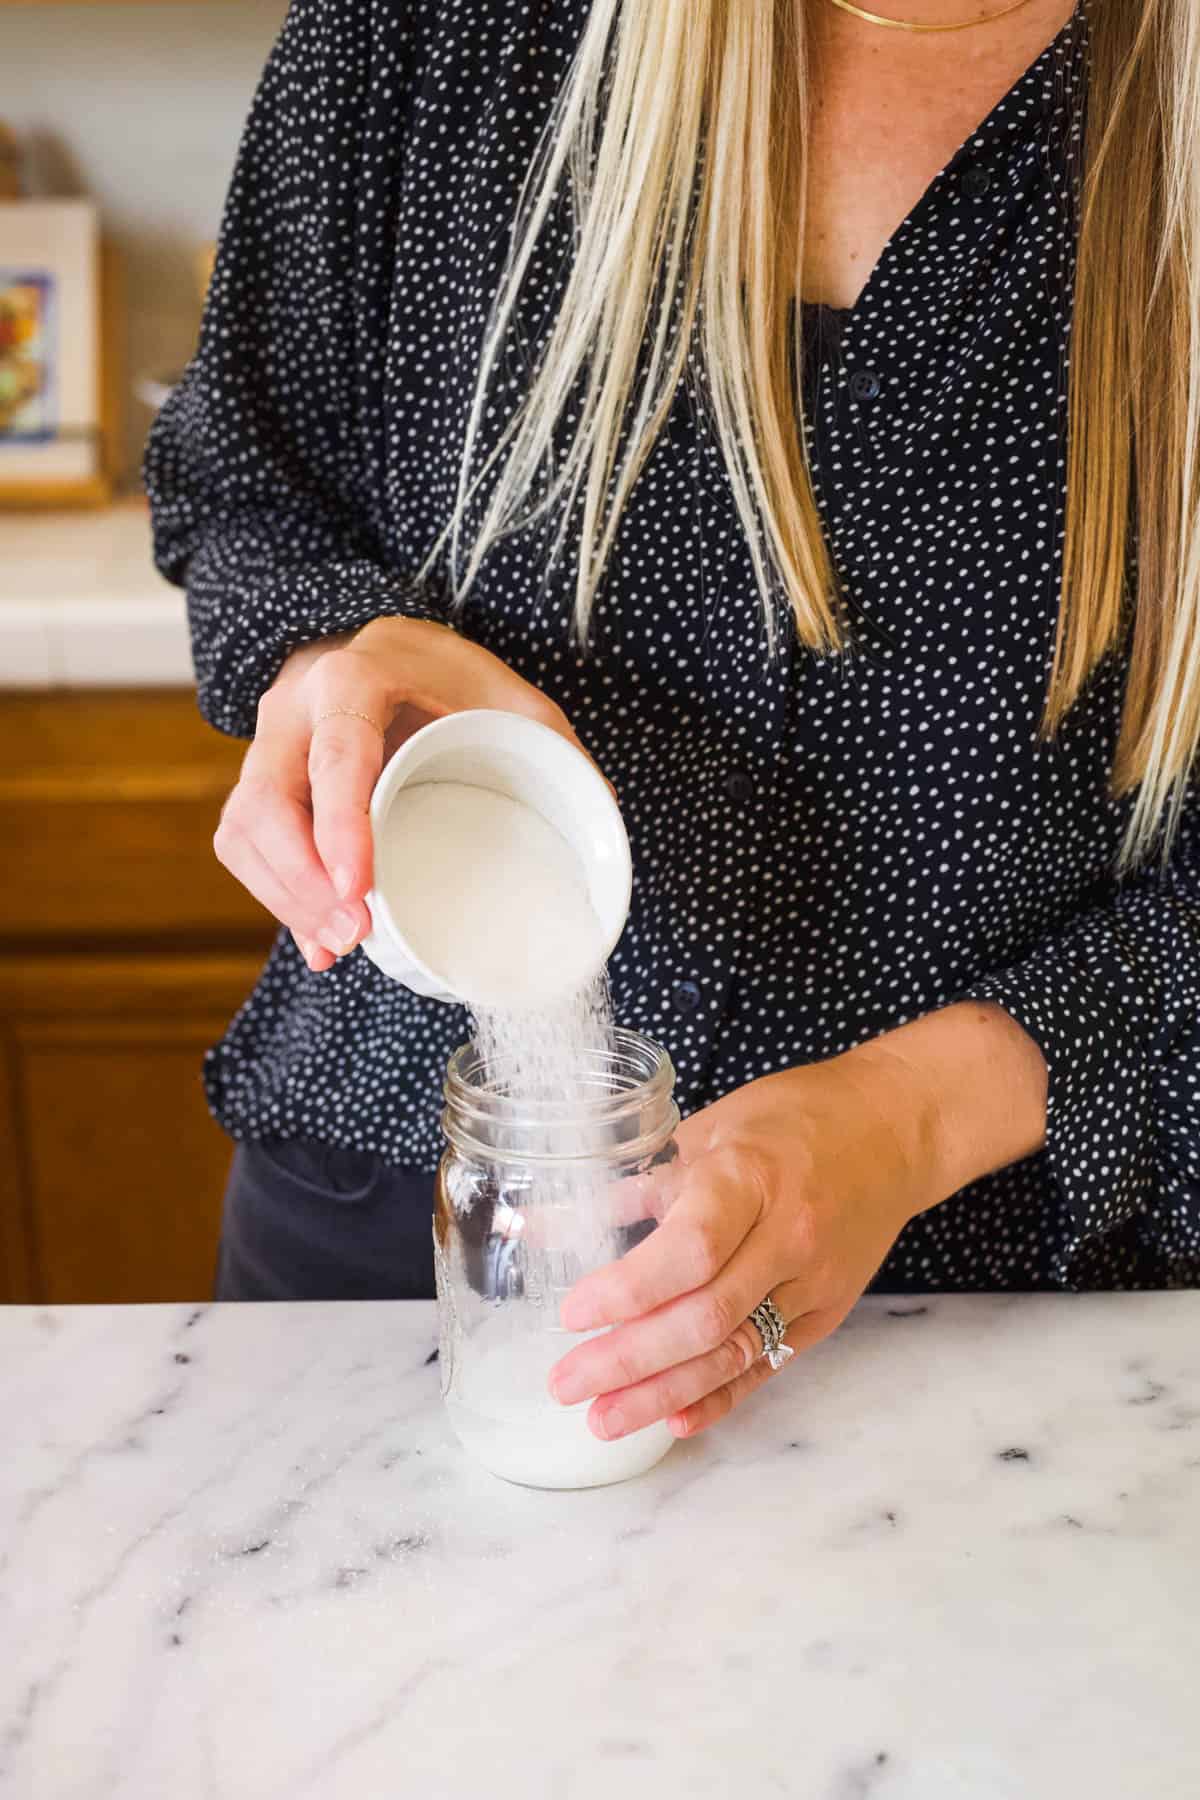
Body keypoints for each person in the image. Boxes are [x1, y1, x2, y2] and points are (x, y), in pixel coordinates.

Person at [145, 0, 1200, 1443]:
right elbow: (248, 483)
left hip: (1001, 1315)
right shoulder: (430, 34)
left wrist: (914, 1117)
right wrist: (337, 650)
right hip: (392, 1241)